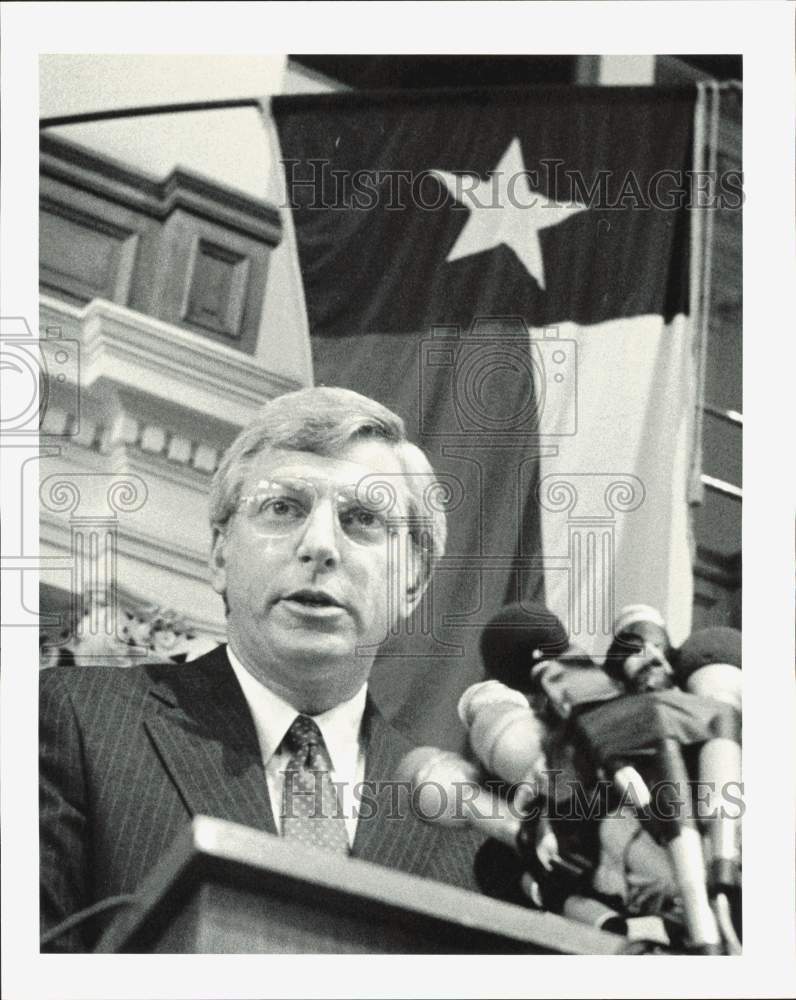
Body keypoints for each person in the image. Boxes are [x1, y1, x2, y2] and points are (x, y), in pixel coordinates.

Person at [39, 387, 484, 952]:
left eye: (363, 519)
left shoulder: (467, 827)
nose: (321, 545)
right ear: (220, 555)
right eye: (283, 508)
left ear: (413, 584)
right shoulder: (75, 721)